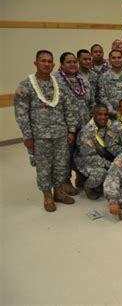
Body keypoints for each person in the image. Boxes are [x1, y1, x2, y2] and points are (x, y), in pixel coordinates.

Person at [14, 50, 77, 212]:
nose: (47, 64)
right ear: (36, 63)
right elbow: (21, 113)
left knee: (60, 165)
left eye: (50, 61)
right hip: (39, 136)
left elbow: (68, 108)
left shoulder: (59, 84)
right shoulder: (26, 85)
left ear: (54, 65)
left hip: (60, 134)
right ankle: (47, 197)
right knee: (43, 167)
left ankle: (59, 193)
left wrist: (70, 130)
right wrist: (27, 136)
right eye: (43, 61)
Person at [55, 52, 95, 194]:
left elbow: (91, 101)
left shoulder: (82, 79)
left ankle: (80, 175)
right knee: (65, 154)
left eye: (74, 62)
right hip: (66, 126)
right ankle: (65, 181)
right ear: (62, 64)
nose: (72, 64)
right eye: (69, 62)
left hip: (84, 124)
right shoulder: (55, 81)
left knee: (82, 151)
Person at [74, 103, 114, 200]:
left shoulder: (111, 125)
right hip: (86, 159)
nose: (103, 117)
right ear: (93, 115)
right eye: (100, 114)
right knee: (101, 173)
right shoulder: (86, 132)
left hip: (103, 157)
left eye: (105, 114)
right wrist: (111, 165)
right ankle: (88, 186)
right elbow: (91, 157)